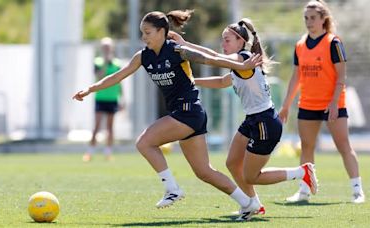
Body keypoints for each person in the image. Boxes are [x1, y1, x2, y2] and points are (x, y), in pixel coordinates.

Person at [73, 10, 264, 221]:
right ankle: (248, 202)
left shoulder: (176, 50)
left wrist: (240, 65)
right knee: (204, 172)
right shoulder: (143, 56)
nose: (144, 37)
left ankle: (172, 189)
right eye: (142, 33)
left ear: (162, 32)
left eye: (148, 32)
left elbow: (209, 59)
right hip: (186, 113)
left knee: (144, 142)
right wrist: (90, 89)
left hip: (188, 111)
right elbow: (118, 76)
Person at [168, 17, 318, 220]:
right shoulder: (239, 64)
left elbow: (213, 57)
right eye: (223, 39)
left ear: (241, 41)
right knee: (232, 163)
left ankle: (302, 173)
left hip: (265, 122)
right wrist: (193, 80)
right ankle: (252, 204)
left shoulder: (243, 58)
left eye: (227, 39)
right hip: (253, 120)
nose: (224, 43)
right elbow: (222, 81)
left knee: (251, 176)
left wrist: (187, 48)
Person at [279, 0, 365, 204]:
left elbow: (341, 77)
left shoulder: (333, 42)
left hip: (332, 104)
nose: (309, 22)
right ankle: (304, 190)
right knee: (307, 147)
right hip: (308, 104)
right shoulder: (300, 44)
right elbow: (296, 77)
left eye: (313, 18)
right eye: (306, 18)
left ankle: (357, 191)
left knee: (343, 145)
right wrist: (285, 105)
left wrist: (335, 103)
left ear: (323, 19)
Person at [83, 37, 123, 162]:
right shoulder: (98, 62)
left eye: (108, 47)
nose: (106, 49)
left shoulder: (117, 63)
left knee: (110, 128)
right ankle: (90, 151)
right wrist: (105, 63)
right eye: (104, 47)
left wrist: (122, 98)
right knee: (97, 126)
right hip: (100, 98)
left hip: (112, 98)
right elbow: (99, 76)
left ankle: (108, 152)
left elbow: (119, 81)